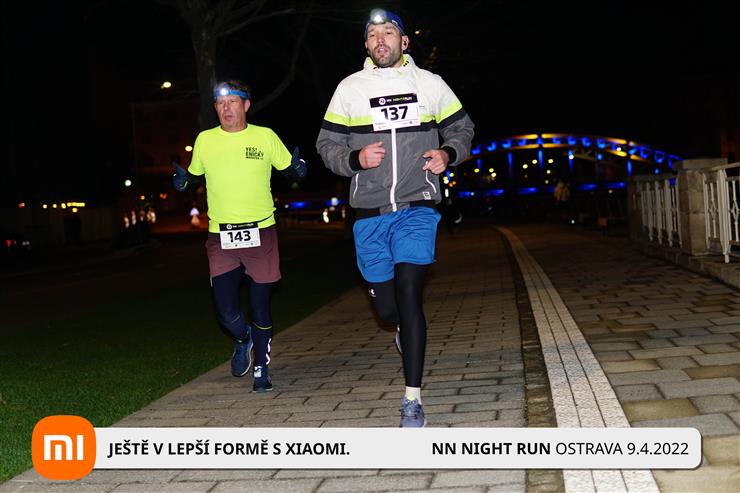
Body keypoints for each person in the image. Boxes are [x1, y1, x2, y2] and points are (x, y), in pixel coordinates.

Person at [316, 9, 474, 427]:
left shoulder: (430, 85)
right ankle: (401, 327)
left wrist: (448, 154)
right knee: (388, 310)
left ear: (404, 42)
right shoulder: (349, 89)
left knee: (409, 293)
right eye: (373, 34)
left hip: (417, 205)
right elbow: (326, 145)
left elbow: (463, 129)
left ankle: (412, 400)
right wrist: (355, 158)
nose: (380, 39)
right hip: (369, 214)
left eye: (388, 32)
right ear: (366, 45)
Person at [173, 80, 307, 393]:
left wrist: (298, 170)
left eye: (233, 101)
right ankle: (243, 338)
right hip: (221, 237)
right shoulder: (206, 140)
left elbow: (289, 168)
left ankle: (261, 368)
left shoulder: (264, 136)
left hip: (260, 233)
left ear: (246, 105)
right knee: (226, 313)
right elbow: (194, 177)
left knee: (260, 306)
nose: (226, 108)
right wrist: (183, 183)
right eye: (220, 103)